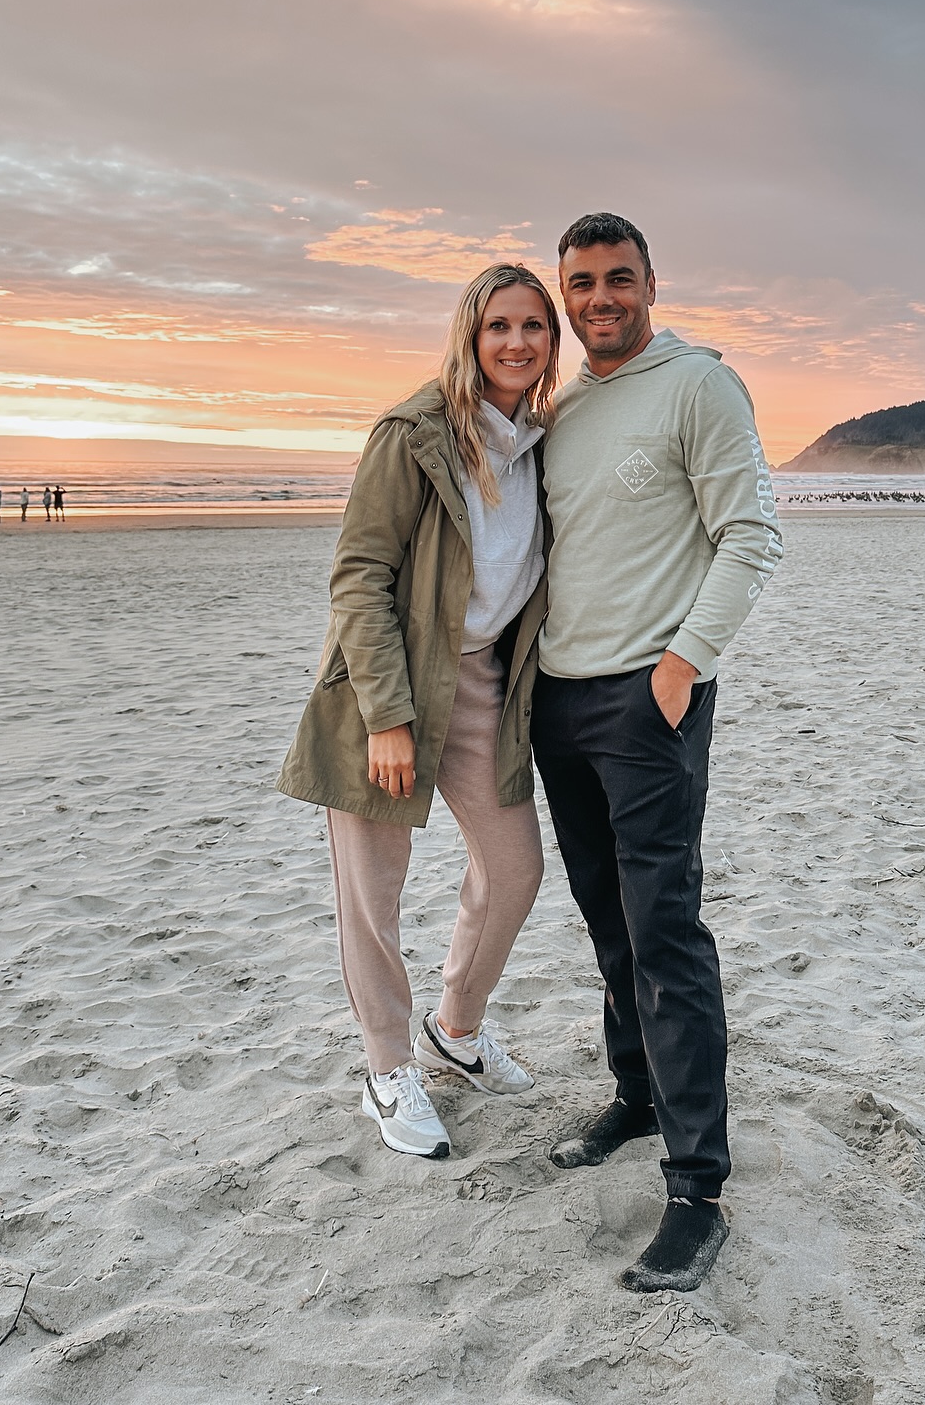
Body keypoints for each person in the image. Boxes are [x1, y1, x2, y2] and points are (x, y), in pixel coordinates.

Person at [530, 212, 783, 1294]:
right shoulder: (564, 405)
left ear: (649, 283)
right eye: (580, 282)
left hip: (649, 703)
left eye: (617, 278)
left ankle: (697, 1191)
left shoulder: (699, 386)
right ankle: (637, 1097)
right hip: (558, 701)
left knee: (665, 931)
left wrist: (681, 665)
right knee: (605, 919)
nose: (599, 299)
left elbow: (753, 533)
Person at [278, 263, 560, 1161]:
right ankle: (387, 1068)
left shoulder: (541, 441)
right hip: (385, 690)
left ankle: (456, 1029)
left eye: (532, 326)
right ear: (470, 336)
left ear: (551, 342)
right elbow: (359, 576)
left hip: (482, 685)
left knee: (514, 870)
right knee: (372, 896)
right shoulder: (413, 432)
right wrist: (388, 716)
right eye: (499, 326)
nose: (516, 342)